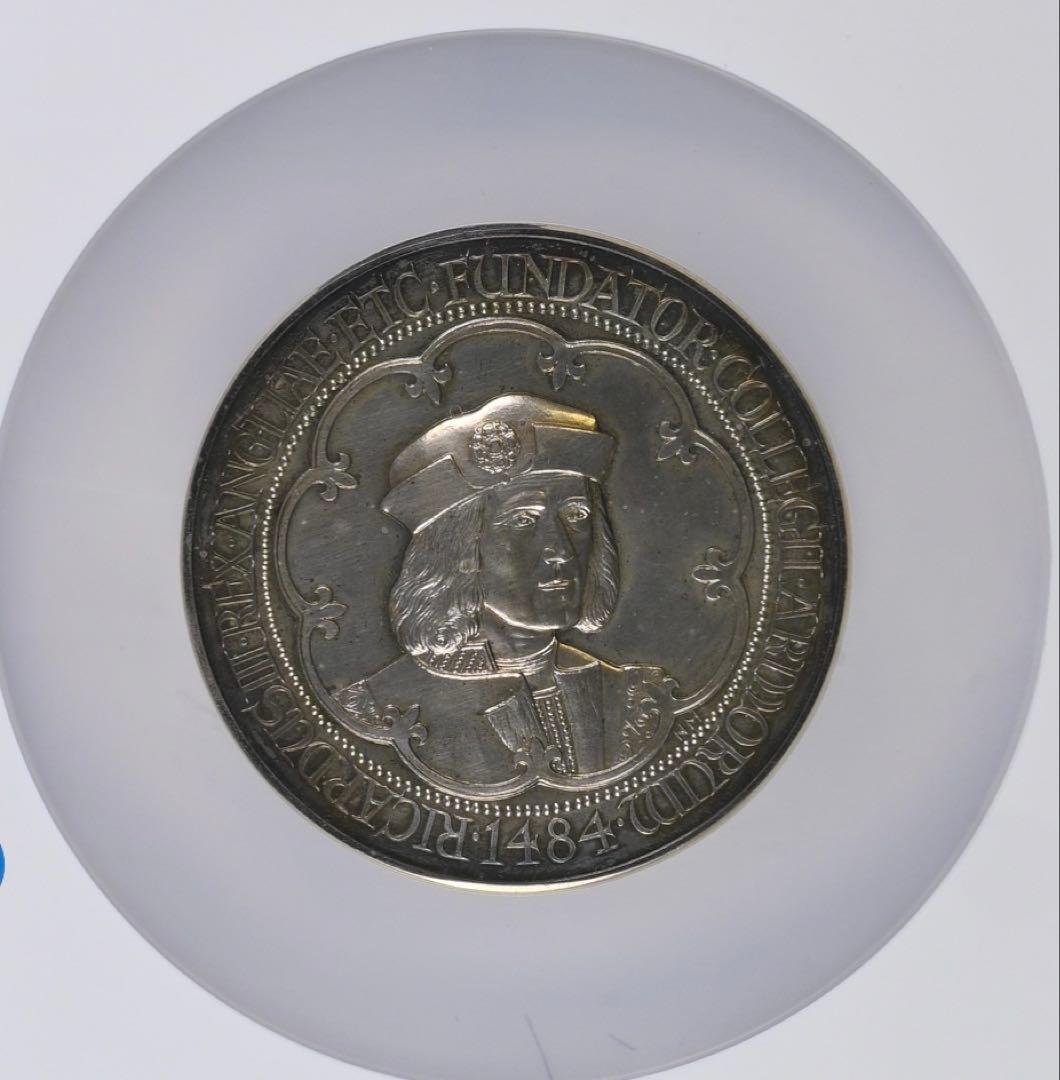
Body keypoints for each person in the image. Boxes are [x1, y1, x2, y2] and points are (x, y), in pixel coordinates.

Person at [334, 394, 673, 786]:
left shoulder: (634, 698)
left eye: (576, 515)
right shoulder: (377, 710)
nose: (562, 550)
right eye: (524, 521)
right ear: (456, 551)